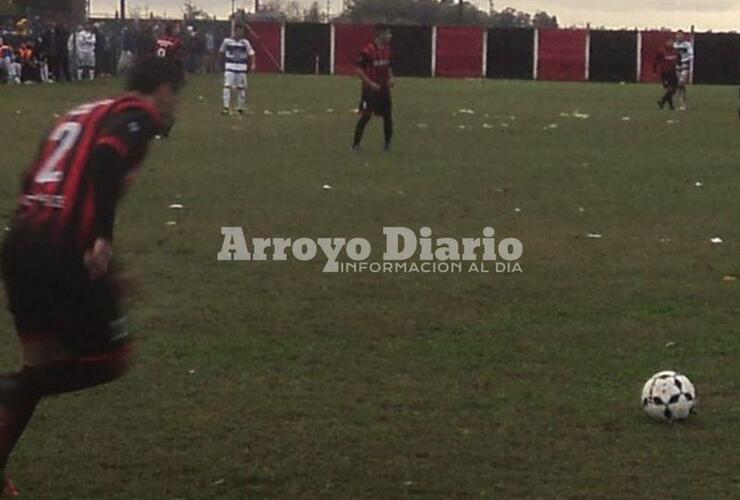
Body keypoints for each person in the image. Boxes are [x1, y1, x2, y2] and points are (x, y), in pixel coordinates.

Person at [0, 56, 184, 496]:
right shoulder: (137, 115)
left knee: (41, 365)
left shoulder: (82, 112)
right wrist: (101, 238)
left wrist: (106, 270)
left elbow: (33, 177)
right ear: (163, 89)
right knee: (110, 360)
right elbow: (106, 158)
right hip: (62, 248)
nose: (176, 107)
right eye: (178, 96)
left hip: (22, 242)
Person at [352, 24, 394, 152]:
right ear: (380, 34)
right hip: (369, 90)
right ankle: (355, 145)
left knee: (387, 116)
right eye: (387, 33)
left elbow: (388, 66)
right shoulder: (368, 50)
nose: (390, 36)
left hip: (383, 88)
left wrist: (391, 77)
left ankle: (387, 145)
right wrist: (370, 83)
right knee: (366, 115)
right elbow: (358, 69)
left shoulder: (387, 49)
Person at [219, 23, 255, 115]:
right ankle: (226, 107)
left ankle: (240, 107)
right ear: (234, 31)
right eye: (238, 31)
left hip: (241, 68)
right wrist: (221, 63)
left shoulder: (245, 42)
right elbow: (221, 52)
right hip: (230, 67)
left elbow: (251, 53)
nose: (240, 33)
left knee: (241, 88)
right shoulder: (227, 41)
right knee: (227, 86)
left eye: (241, 31)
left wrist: (253, 64)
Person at [654, 38, 678, 111]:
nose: (671, 43)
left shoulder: (675, 51)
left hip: (673, 72)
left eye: (672, 42)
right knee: (669, 89)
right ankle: (669, 105)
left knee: (674, 89)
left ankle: (663, 103)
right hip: (665, 72)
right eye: (669, 42)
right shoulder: (661, 51)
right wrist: (654, 71)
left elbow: (679, 60)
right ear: (666, 42)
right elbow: (656, 61)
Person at [673, 30, 694, 111]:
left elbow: (691, 55)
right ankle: (681, 101)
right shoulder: (674, 45)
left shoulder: (687, 45)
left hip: (684, 66)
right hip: (676, 66)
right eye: (677, 35)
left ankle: (683, 102)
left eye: (680, 35)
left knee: (681, 82)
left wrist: (684, 60)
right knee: (679, 85)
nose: (679, 37)